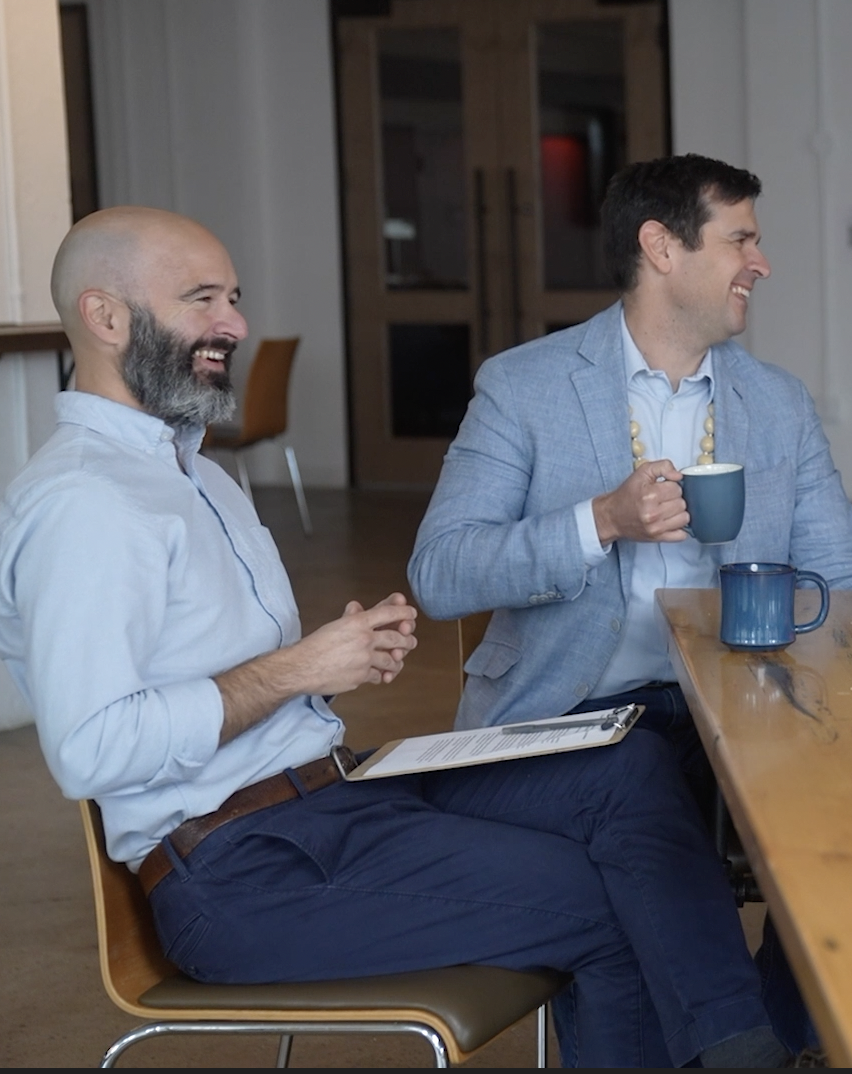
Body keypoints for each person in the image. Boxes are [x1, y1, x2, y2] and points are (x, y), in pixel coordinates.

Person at [0, 207, 796, 1067]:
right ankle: (747, 1048)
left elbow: (219, 675)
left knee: (625, 765)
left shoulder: (194, 475)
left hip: (332, 797)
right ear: (105, 317)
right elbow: (91, 748)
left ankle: (743, 1041)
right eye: (202, 300)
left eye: (233, 298)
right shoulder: (84, 502)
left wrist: (329, 665)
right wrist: (293, 668)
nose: (233, 324)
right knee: (610, 897)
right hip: (242, 872)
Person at [408, 153, 852, 734]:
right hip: (565, 721)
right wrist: (601, 520)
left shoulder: (780, 403)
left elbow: (845, 579)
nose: (761, 264)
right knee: (668, 814)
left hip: (742, 716)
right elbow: (440, 573)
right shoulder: (523, 387)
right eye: (740, 240)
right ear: (660, 247)